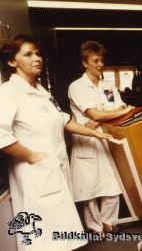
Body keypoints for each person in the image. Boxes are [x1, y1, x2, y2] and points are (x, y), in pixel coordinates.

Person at [0, 34, 112, 250]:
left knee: (62, 236)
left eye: (38, 53)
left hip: (55, 171)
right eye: (28, 54)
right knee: (42, 239)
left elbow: (63, 120)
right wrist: (31, 156)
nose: (37, 58)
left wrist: (95, 134)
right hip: (36, 175)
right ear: (12, 62)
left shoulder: (41, 91)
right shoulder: (9, 92)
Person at [68, 41, 134, 235]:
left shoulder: (108, 86)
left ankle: (109, 222)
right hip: (86, 142)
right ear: (84, 63)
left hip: (106, 140)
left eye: (102, 60)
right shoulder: (77, 86)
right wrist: (101, 116)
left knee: (112, 184)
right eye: (95, 61)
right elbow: (95, 114)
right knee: (88, 189)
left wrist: (100, 118)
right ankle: (95, 227)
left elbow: (122, 108)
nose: (100, 64)